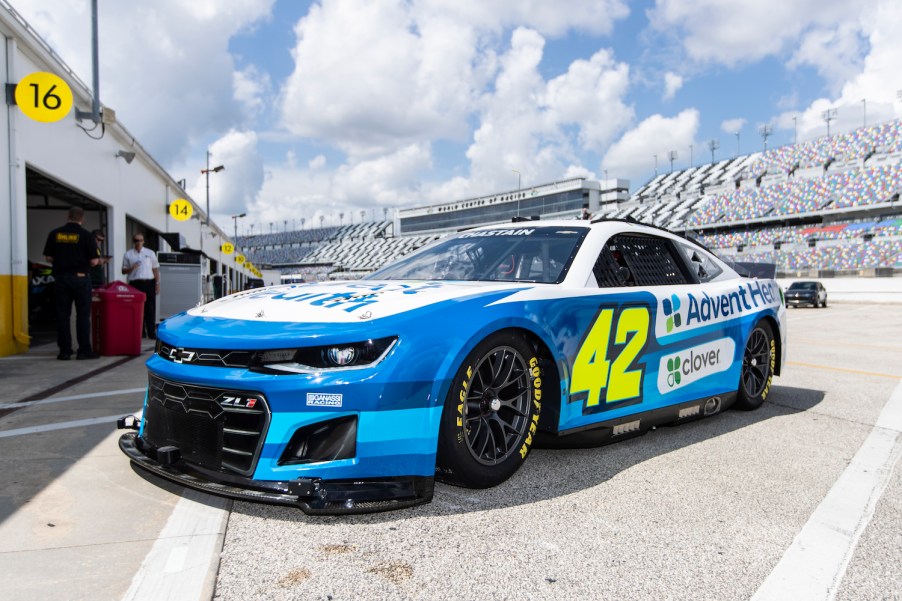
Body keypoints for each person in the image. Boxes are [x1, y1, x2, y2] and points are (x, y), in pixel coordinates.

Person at [42, 205, 101, 360]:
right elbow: (94, 261)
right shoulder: (86, 235)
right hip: (81, 279)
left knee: (62, 315)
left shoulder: (55, 234)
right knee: (82, 315)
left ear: (68, 216)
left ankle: (65, 351)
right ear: (82, 219)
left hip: (61, 279)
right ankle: (83, 350)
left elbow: (48, 258)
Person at [121, 233, 160, 339]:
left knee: (150, 308)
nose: (138, 242)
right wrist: (131, 268)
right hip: (135, 283)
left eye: (140, 240)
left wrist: (157, 283)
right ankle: (140, 332)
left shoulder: (150, 253)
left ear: (143, 241)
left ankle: (151, 332)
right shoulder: (128, 254)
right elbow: (123, 271)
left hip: (148, 282)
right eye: (136, 240)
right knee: (137, 308)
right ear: (133, 242)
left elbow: (155, 269)